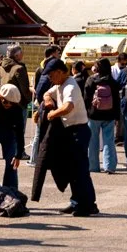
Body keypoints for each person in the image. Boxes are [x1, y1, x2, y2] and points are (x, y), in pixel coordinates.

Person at [31, 57, 99, 215]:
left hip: (78, 131)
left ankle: (85, 205)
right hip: (70, 131)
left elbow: (68, 107)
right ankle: (80, 202)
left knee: (79, 169)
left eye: (51, 75)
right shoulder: (59, 84)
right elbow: (47, 93)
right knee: (73, 169)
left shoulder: (70, 86)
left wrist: (52, 114)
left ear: (60, 72)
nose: (49, 78)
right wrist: (47, 101)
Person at [0, 82, 25, 194]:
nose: (8, 105)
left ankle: (10, 191)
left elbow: (19, 132)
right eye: (5, 101)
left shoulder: (17, 110)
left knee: (11, 163)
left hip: (9, 134)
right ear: (0, 97)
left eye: (11, 103)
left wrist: (19, 154)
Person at [84, 55, 121, 174]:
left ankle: (93, 166)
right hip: (109, 115)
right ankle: (109, 166)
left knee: (93, 141)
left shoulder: (91, 80)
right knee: (108, 141)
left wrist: (86, 111)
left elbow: (86, 98)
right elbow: (117, 100)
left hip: (93, 115)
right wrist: (117, 116)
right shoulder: (112, 82)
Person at [0, 42, 32, 107]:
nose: (22, 55)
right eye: (21, 53)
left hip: (5, 101)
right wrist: (29, 99)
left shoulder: (2, 67)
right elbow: (24, 88)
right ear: (16, 55)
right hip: (18, 103)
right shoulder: (19, 68)